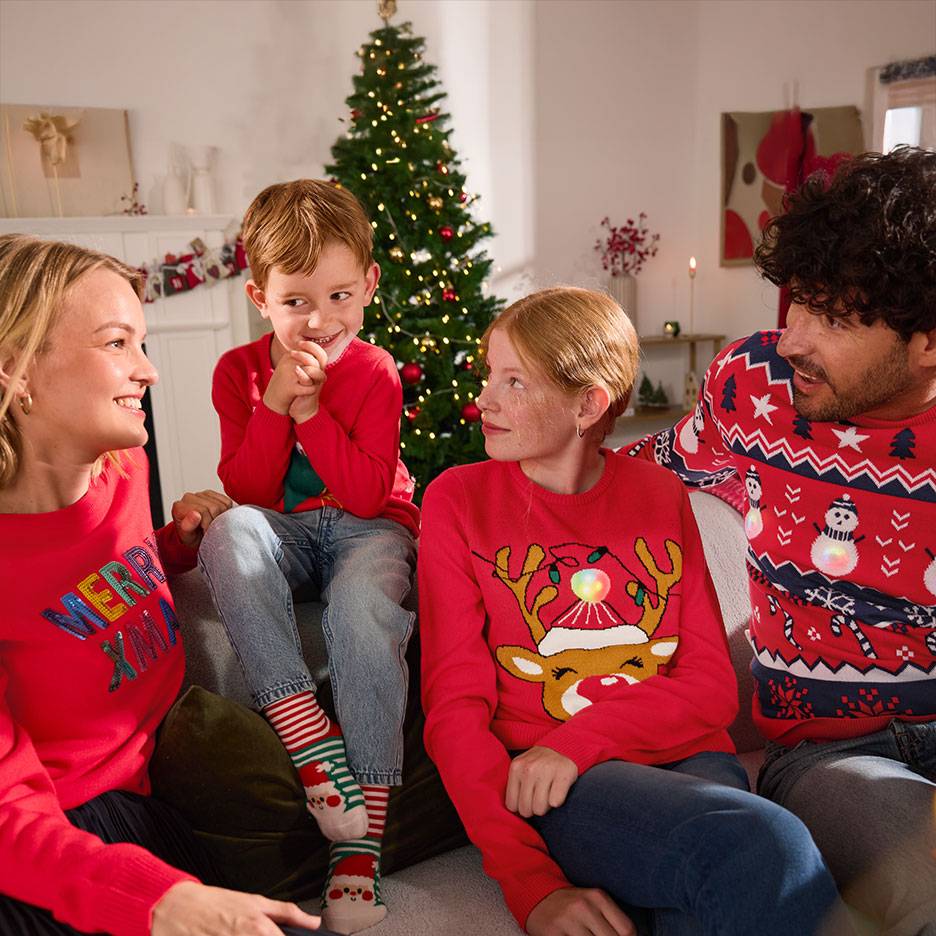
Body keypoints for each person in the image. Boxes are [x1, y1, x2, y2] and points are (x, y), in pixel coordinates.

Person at [418, 286, 849, 936]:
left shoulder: (658, 494)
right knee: (763, 843)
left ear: (588, 404)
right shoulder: (458, 501)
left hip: (682, 759)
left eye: (513, 381)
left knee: (703, 901)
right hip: (562, 788)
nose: (484, 398)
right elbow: (455, 711)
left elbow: (708, 689)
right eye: (489, 374)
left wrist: (576, 741)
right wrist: (532, 888)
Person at [632, 146, 936, 935]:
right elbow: (655, 466)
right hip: (831, 755)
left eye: (834, 318)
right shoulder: (753, 386)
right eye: (798, 301)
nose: (793, 338)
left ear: (927, 342)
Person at [0, 234, 324, 936]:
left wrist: (174, 548)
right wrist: (154, 898)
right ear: (14, 370)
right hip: (56, 839)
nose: (146, 370)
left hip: (175, 784)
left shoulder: (122, 473)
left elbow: (91, 586)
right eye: (117, 343)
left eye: (141, 343)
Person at [197, 180, 419, 935]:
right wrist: (272, 405)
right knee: (229, 533)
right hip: (284, 531)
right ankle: (303, 727)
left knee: (362, 608)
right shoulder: (237, 372)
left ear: (369, 286)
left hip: (369, 526)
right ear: (260, 295)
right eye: (297, 302)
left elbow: (362, 495)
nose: (320, 321)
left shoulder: (377, 371)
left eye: (339, 296)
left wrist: (313, 414)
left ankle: (360, 848)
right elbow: (248, 488)